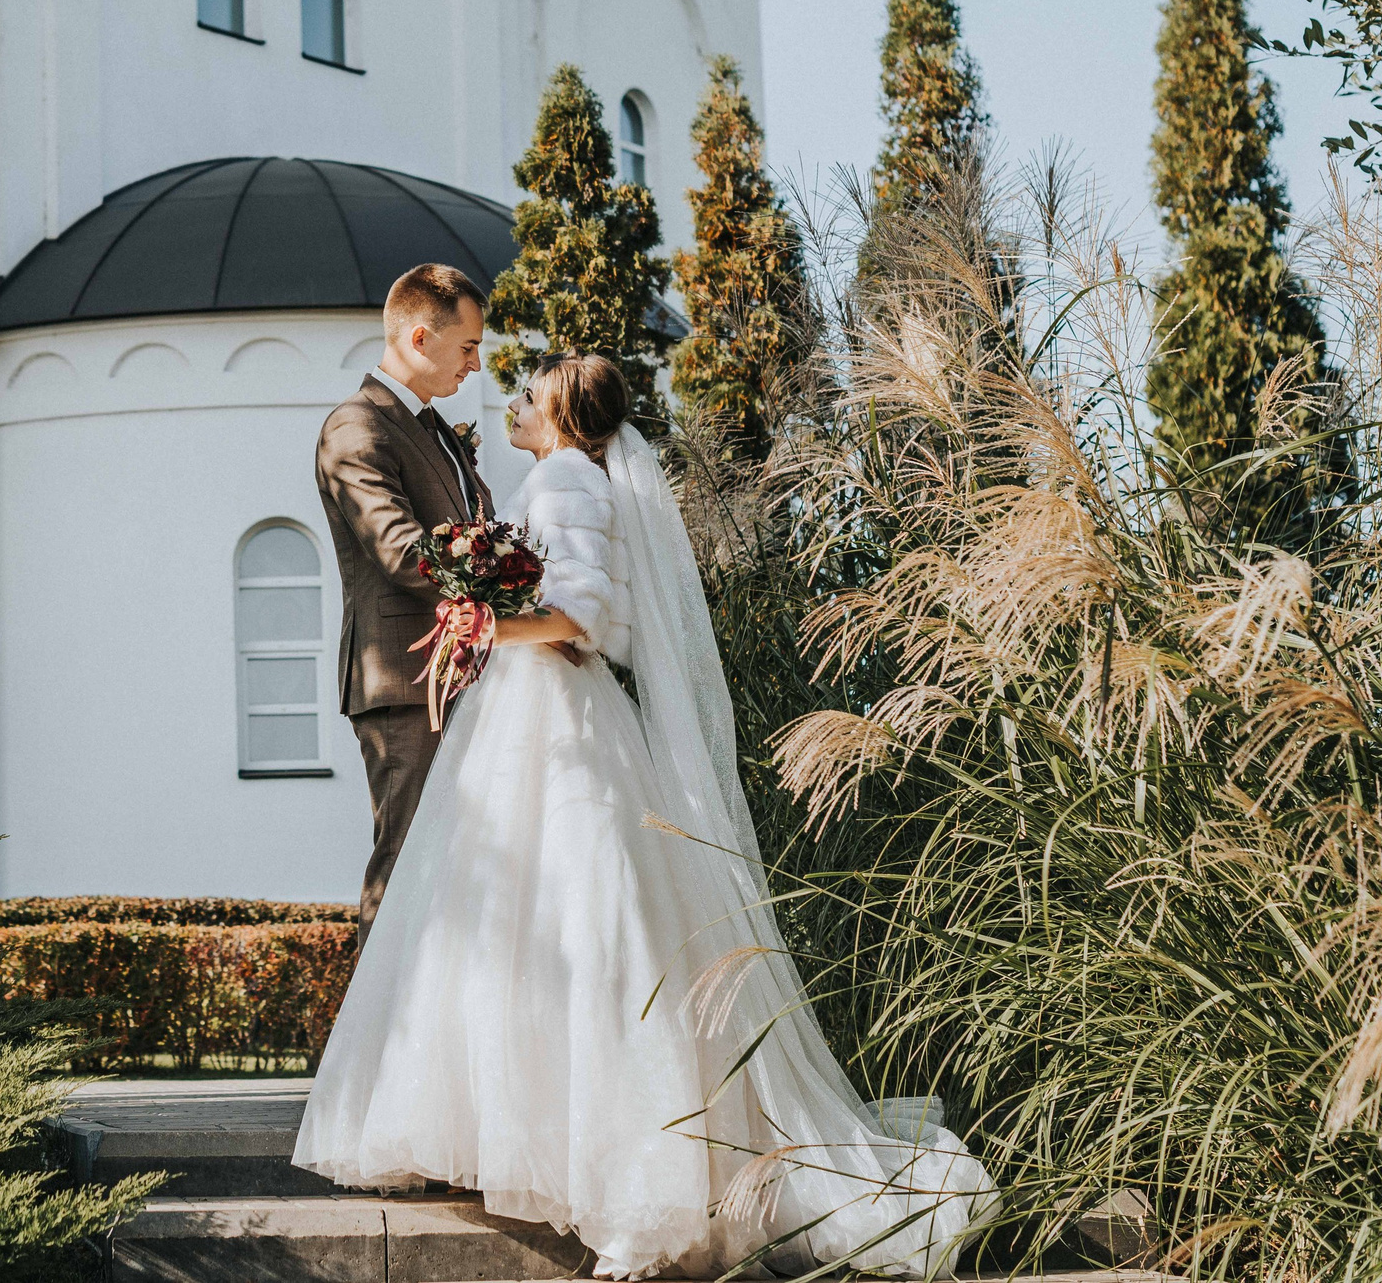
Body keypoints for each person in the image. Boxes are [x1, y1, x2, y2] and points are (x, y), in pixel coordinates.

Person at [295, 352, 997, 1279]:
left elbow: (580, 617)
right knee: (522, 927)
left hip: (553, 712)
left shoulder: (564, 478)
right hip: (534, 710)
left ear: (559, 409)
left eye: (530, 385)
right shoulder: (568, 476)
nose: (510, 395)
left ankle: (629, 1176)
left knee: (587, 932)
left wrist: (484, 622)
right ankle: (540, 1143)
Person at [314, 264, 496, 941]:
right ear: (421, 336)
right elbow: (400, 548)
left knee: (463, 868)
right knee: (407, 863)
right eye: (469, 347)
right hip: (402, 681)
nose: (476, 365)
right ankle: (374, 1046)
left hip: (463, 673)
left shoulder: (437, 430)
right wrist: (500, 588)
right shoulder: (356, 427)